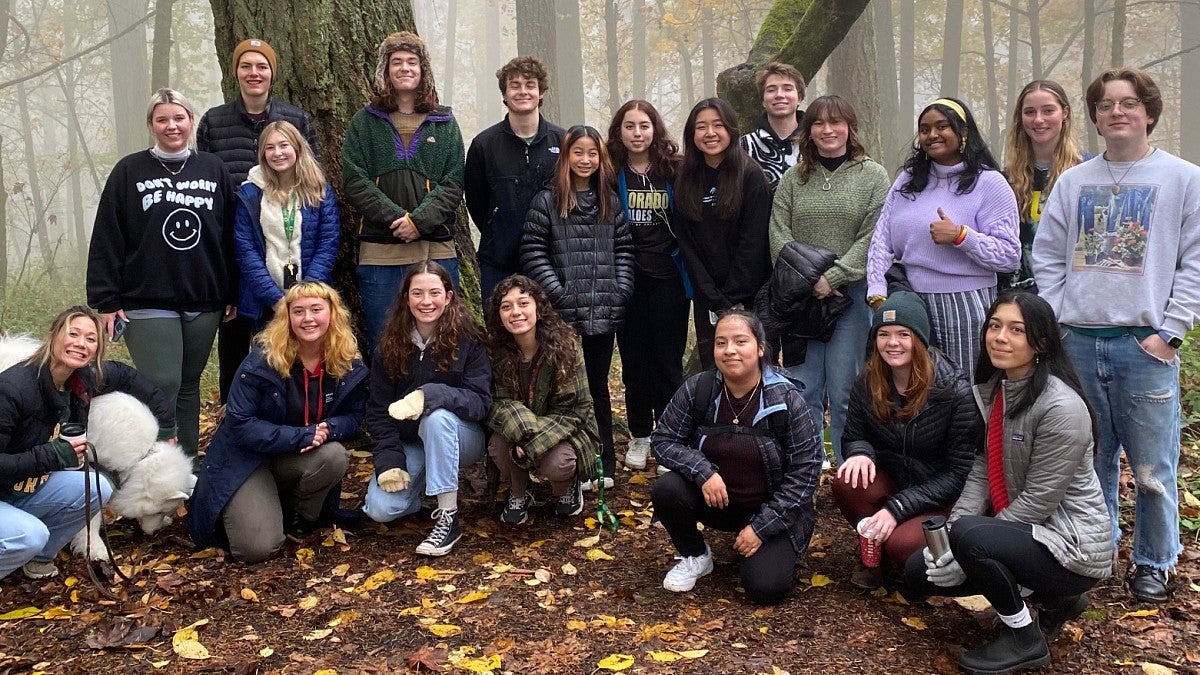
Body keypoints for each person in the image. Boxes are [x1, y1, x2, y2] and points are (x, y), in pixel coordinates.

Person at [1033, 66, 1200, 604]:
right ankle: (1095, 552)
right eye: (1106, 105)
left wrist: (1168, 334)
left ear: (1149, 112)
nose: (1117, 112)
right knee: (1090, 459)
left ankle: (1154, 561)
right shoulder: (1074, 181)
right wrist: (1057, 319)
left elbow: (1195, 262)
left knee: (1152, 469)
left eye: (1128, 103)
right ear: (1096, 118)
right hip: (1078, 341)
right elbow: (1048, 254)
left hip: (1144, 345)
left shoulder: (1183, 178)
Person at [903, 291, 1111, 674]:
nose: (1000, 337)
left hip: (1070, 544)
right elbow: (981, 473)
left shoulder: (1060, 407)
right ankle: (1056, 599)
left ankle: (1023, 635)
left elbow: (1038, 501)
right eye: (995, 326)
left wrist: (967, 545)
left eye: (1016, 330)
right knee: (920, 570)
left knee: (971, 538)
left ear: (1041, 342)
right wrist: (948, 541)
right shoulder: (996, 389)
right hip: (1023, 534)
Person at [87, 88, 236, 459]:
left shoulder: (213, 168)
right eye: (162, 119)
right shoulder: (129, 170)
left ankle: (184, 466)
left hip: (205, 297)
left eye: (179, 117)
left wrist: (234, 290)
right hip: (146, 297)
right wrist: (105, 301)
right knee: (161, 384)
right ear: (151, 125)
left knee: (188, 384)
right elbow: (108, 235)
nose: (172, 126)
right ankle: (150, 463)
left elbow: (232, 233)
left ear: (190, 121)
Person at [650, 310, 823, 604]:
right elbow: (663, 439)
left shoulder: (786, 399)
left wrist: (761, 527)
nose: (729, 350)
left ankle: (772, 545)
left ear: (760, 348)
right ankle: (695, 554)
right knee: (667, 488)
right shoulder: (699, 389)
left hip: (770, 508)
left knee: (766, 589)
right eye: (721, 343)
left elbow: (806, 473)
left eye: (740, 341)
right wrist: (702, 470)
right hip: (717, 501)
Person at [189, 282, 367, 563]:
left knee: (333, 455)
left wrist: (329, 429)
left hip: (297, 458)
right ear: (287, 318)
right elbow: (240, 424)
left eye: (316, 310)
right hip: (247, 460)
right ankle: (254, 508)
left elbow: (355, 416)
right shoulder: (261, 361)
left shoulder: (346, 359)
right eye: (298, 311)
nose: (308, 318)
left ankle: (296, 513)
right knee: (256, 549)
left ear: (332, 315)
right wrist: (302, 435)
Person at [1, 307, 174, 580]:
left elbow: (127, 376)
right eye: (73, 334)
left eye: (91, 339)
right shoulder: (13, 388)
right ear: (52, 336)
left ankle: (37, 560)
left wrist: (166, 423)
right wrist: (53, 456)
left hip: (25, 484)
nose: (81, 343)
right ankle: (22, 546)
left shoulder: (83, 380)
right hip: (6, 487)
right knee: (31, 534)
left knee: (98, 487)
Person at [768, 95, 890, 464]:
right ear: (809, 131)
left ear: (850, 127)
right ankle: (801, 475)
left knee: (844, 394)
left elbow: (875, 235)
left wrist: (834, 276)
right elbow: (778, 231)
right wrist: (806, 280)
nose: (827, 130)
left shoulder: (873, 175)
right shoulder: (794, 176)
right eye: (818, 123)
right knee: (802, 390)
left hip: (848, 300)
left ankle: (847, 475)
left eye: (835, 122)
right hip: (801, 302)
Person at [198, 38, 320, 404]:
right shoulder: (214, 122)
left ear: (272, 73)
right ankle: (232, 413)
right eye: (246, 66)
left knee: (292, 337)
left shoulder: (295, 119)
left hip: (288, 248)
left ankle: (292, 412)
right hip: (235, 248)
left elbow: (312, 181)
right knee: (234, 339)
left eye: (261, 66)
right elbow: (206, 187)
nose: (254, 73)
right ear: (235, 72)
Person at [866, 97, 1020, 375]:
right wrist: (877, 288)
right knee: (919, 389)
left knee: (965, 388)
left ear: (963, 133)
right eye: (925, 129)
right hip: (911, 302)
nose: (932, 135)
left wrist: (962, 236)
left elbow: (1009, 256)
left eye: (942, 126)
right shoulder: (908, 180)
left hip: (965, 306)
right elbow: (881, 238)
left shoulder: (989, 183)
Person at [834, 292, 974, 590]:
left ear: (920, 340)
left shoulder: (954, 392)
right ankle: (874, 556)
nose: (892, 343)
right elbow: (855, 434)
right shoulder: (869, 380)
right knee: (847, 480)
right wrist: (859, 452)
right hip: (894, 479)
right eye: (883, 334)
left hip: (940, 495)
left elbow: (959, 474)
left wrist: (896, 508)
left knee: (902, 546)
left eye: (903, 334)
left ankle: (896, 550)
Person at [522, 125, 634, 490]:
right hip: (562, 313)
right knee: (566, 390)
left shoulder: (610, 202)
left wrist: (620, 290)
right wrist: (557, 291)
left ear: (601, 159)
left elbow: (624, 250)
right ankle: (570, 466)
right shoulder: (548, 201)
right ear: (565, 156)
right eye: (578, 152)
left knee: (598, 389)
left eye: (592, 153)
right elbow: (533, 250)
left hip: (603, 311)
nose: (585, 160)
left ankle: (605, 466)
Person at [343, 31, 465, 354]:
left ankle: (439, 402)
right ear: (385, 70)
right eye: (396, 62)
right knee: (385, 341)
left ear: (423, 70)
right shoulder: (364, 123)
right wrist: (397, 218)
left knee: (441, 339)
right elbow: (355, 181)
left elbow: (453, 183)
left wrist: (420, 221)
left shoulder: (445, 123)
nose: (405, 68)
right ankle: (387, 404)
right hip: (380, 251)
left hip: (435, 249)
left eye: (412, 62)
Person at [362, 262, 491, 557]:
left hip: (462, 437)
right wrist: (389, 459)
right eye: (417, 293)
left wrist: (431, 394)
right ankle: (421, 490)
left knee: (436, 417)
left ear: (448, 296)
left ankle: (448, 517)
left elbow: (480, 403)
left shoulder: (469, 340)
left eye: (434, 293)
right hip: (411, 442)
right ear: (406, 297)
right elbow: (379, 411)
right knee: (381, 509)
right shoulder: (389, 344)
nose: (426, 301)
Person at [606, 100, 688, 472]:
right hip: (626, 277)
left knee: (667, 361)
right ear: (619, 131)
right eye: (629, 126)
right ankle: (640, 434)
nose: (637, 133)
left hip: (668, 277)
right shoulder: (610, 171)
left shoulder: (674, 169)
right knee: (635, 362)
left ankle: (670, 437)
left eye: (644, 125)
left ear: (655, 129)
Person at [485, 275, 599, 523]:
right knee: (497, 446)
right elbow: (497, 402)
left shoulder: (565, 346)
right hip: (517, 428)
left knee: (559, 463)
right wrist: (523, 432)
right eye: (506, 306)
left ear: (538, 306)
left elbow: (575, 411)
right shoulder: (496, 351)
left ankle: (566, 487)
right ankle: (520, 492)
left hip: (564, 430)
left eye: (523, 303)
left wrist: (531, 438)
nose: (516, 312)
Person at [674, 98, 772, 369]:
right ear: (692, 134)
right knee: (714, 366)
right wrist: (712, 297)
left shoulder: (751, 175)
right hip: (707, 297)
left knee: (747, 366)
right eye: (701, 126)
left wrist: (733, 298)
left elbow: (753, 244)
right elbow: (687, 245)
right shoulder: (685, 178)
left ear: (731, 129)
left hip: (748, 296)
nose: (710, 133)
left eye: (718, 125)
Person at [465, 56, 564, 301]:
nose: (523, 91)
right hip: (499, 261)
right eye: (515, 85)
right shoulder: (484, 145)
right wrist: (499, 230)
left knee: (550, 335)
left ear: (541, 92)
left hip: (552, 261)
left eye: (530, 84)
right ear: (505, 94)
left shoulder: (562, 142)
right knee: (500, 334)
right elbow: (476, 201)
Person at [234, 121, 340, 330]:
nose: (277, 153)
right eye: (270, 147)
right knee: (270, 360)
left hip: (312, 300)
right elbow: (245, 251)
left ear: (297, 148)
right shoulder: (250, 194)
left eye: (284, 145)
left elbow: (328, 243)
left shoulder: (319, 191)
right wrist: (276, 299)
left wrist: (304, 297)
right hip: (265, 303)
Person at [1002, 80, 1088, 292]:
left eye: (1048, 110)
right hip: (1019, 297)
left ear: (1065, 112)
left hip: (1073, 294)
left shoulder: (1087, 173)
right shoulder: (1006, 179)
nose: (1038, 120)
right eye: (1030, 112)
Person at [738, 62, 806, 192]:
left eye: (787, 88)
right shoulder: (744, 147)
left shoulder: (814, 143)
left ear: (800, 98)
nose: (779, 95)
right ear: (763, 100)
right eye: (771, 90)